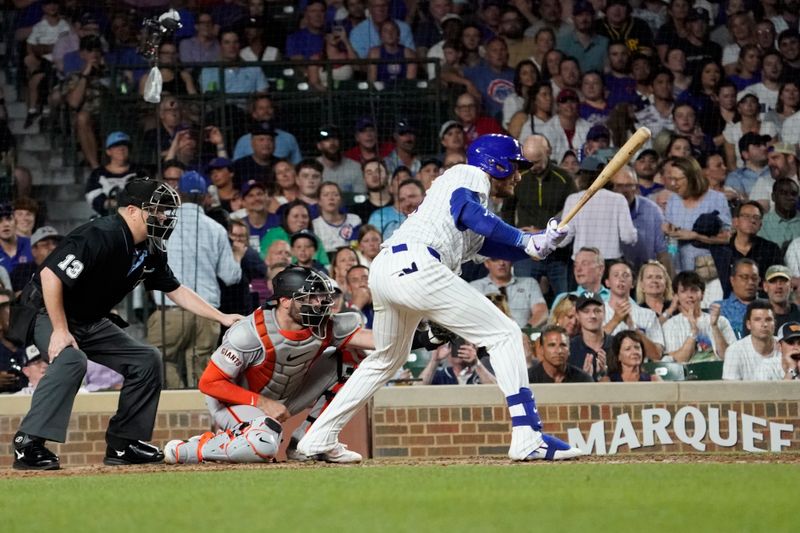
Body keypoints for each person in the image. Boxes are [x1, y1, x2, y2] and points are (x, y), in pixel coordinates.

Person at [295, 134, 583, 462]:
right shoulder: (468, 174)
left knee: (385, 359)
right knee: (503, 333)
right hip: (417, 266)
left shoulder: (474, 205)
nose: (519, 175)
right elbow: (469, 212)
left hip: (388, 269)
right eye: (515, 167)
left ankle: (318, 436)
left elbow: (487, 242)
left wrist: (539, 242)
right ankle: (528, 436)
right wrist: (524, 238)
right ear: (496, 164)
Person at [11, 179, 243, 470]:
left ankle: (123, 444)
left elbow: (175, 289)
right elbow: (50, 276)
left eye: (167, 211)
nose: (165, 217)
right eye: (158, 210)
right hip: (46, 311)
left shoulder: (150, 247)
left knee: (146, 360)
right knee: (71, 360)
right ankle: (28, 444)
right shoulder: (100, 233)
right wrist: (60, 330)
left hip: (90, 318)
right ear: (132, 211)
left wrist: (221, 317)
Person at [164, 266, 375, 464]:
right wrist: (262, 403)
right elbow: (209, 384)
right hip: (236, 403)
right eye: (310, 297)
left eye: (321, 297)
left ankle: (311, 441)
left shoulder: (324, 325)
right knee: (263, 445)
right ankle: (188, 449)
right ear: (285, 301)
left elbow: (378, 341)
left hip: (284, 397)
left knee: (353, 355)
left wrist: (406, 335)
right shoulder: (249, 332)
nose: (319, 303)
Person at [148, 172, 244, 389]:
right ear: (204, 197)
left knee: (161, 359)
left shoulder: (161, 223)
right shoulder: (216, 228)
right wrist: (238, 256)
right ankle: (203, 417)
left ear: (178, 194)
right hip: (207, 312)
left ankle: (179, 402)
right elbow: (231, 277)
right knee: (200, 368)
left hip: (170, 310)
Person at [500, 135, 575, 292]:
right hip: (526, 250)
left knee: (565, 298)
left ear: (548, 152)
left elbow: (573, 212)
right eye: (528, 162)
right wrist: (513, 232)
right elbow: (507, 209)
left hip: (557, 253)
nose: (531, 167)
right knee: (523, 296)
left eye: (536, 161)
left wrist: (542, 232)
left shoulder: (564, 178)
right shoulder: (518, 177)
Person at [560, 158, 638, 262]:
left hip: (582, 262)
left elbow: (562, 240)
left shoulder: (574, 199)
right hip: (609, 262)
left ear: (582, 176)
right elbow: (628, 237)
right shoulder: (618, 199)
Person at [663, 156, 732, 273]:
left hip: (708, 269)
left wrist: (695, 236)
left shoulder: (716, 199)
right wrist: (668, 231)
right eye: (671, 179)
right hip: (680, 269)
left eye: (678, 179)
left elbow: (727, 238)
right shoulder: (673, 200)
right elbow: (671, 242)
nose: (673, 184)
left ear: (692, 178)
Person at [662, 270, 736, 362]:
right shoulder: (669, 326)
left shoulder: (721, 321)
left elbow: (731, 358)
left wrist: (715, 327)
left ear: (702, 295)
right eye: (684, 291)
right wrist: (693, 332)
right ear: (676, 296)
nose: (689, 295)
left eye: (694, 290)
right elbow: (677, 361)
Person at [611, 166, 670, 274]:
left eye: (629, 185)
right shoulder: (602, 210)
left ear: (637, 188)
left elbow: (663, 252)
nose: (624, 191)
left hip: (644, 277)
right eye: (619, 186)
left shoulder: (652, 210)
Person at [602, 260, 665, 360]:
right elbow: (592, 345)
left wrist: (634, 329)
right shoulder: (597, 312)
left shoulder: (648, 315)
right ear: (607, 282)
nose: (621, 279)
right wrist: (615, 320)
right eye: (616, 275)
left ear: (633, 283)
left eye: (625, 275)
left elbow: (656, 354)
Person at [469, 257, 548, 329]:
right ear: (486, 263)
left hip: (523, 337)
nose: (501, 263)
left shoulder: (529, 283)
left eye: (505, 258)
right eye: (495, 259)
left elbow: (542, 312)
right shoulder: (475, 287)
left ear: (512, 262)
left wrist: (525, 331)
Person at [85, 132, 146, 216]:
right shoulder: (98, 174)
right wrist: (118, 204)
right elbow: (94, 199)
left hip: (135, 219)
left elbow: (146, 195)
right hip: (107, 219)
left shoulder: (139, 172)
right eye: (116, 146)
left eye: (125, 145)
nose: (121, 149)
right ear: (108, 151)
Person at [723, 300, 784, 381]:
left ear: (774, 323)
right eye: (758, 319)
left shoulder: (785, 346)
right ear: (748, 324)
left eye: (768, 319)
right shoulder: (735, 351)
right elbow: (730, 389)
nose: (764, 324)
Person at [728, 201, 784, 280]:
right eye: (746, 216)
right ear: (735, 222)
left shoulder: (771, 249)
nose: (752, 221)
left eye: (756, 217)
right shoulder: (723, 248)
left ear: (760, 225)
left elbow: (777, 280)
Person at [528, 325, 593, 384]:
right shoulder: (528, 379)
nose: (559, 351)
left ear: (569, 350)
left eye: (563, 345)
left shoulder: (583, 380)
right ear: (542, 349)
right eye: (552, 345)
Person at [568, 293, 611, 381]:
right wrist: (584, 379)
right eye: (586, 311)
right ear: (577, 315)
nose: (592, 316)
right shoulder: (569, 348)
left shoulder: (617, 345)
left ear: (604, 313)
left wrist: (604, 376)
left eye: (597, 311)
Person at [419, 337, 497, 385]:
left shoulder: (481, 373)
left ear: (474, 348)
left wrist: (476, 363)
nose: (459, 350)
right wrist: (434, 361)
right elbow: (416, 391)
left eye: (463, 345)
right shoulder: (440, 375)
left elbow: (497, 393)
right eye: (455, 346)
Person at [718, 258, 763, 339]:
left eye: (754, 278)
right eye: (744, 277)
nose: (750, 282)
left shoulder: (767, 306)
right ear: (732, 280)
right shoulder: (720, 308)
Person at [313, 182, 362, 255]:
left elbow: (357, 248)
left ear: (341, 200)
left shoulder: (354, 220)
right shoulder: (315, 225)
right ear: (319, 201)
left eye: (335, 195)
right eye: (326, 195)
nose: (331, 198)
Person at [11, 226, 62, 294]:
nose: (53, 247)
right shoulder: (21, 271)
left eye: (55, 244)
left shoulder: (66, 268)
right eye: (46, 244)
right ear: (34, 250)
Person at [758, 178, 800, 249]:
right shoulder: (762, 224)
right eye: (784, 193)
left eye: (794, 194)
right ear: (773, 197)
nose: (790, 197)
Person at [636, 260, 677, 324]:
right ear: (641, 284)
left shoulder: (677, 307)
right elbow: (653, 330)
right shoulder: (637, 312)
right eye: (649, 277)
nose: (654, 281)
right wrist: (669, 311)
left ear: (666, 283)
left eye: (659, 277)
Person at [762, 265, 800, 330]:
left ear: (791, 286)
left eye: (783, 281)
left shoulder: (798, 313)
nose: (779, 286)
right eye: (773, 281)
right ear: (765, 286)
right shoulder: (757, 316)